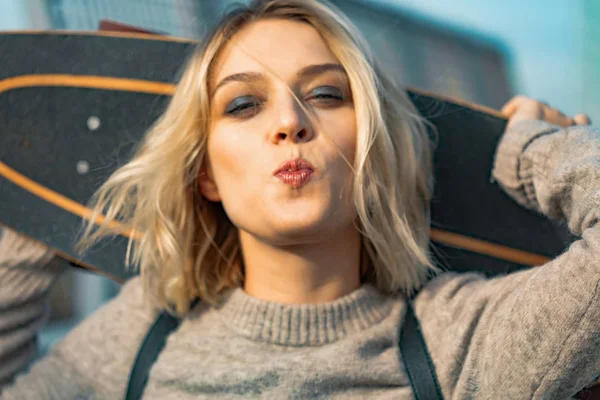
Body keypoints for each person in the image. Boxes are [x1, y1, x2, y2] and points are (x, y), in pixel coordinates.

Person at [1, 0, 599, 398]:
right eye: (243, 104)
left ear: (372, 147)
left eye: (326, 95)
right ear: (205, 174)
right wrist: (32, 203)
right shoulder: (139, 335)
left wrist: (539, 151)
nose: (289, 121)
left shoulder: (464, 343)